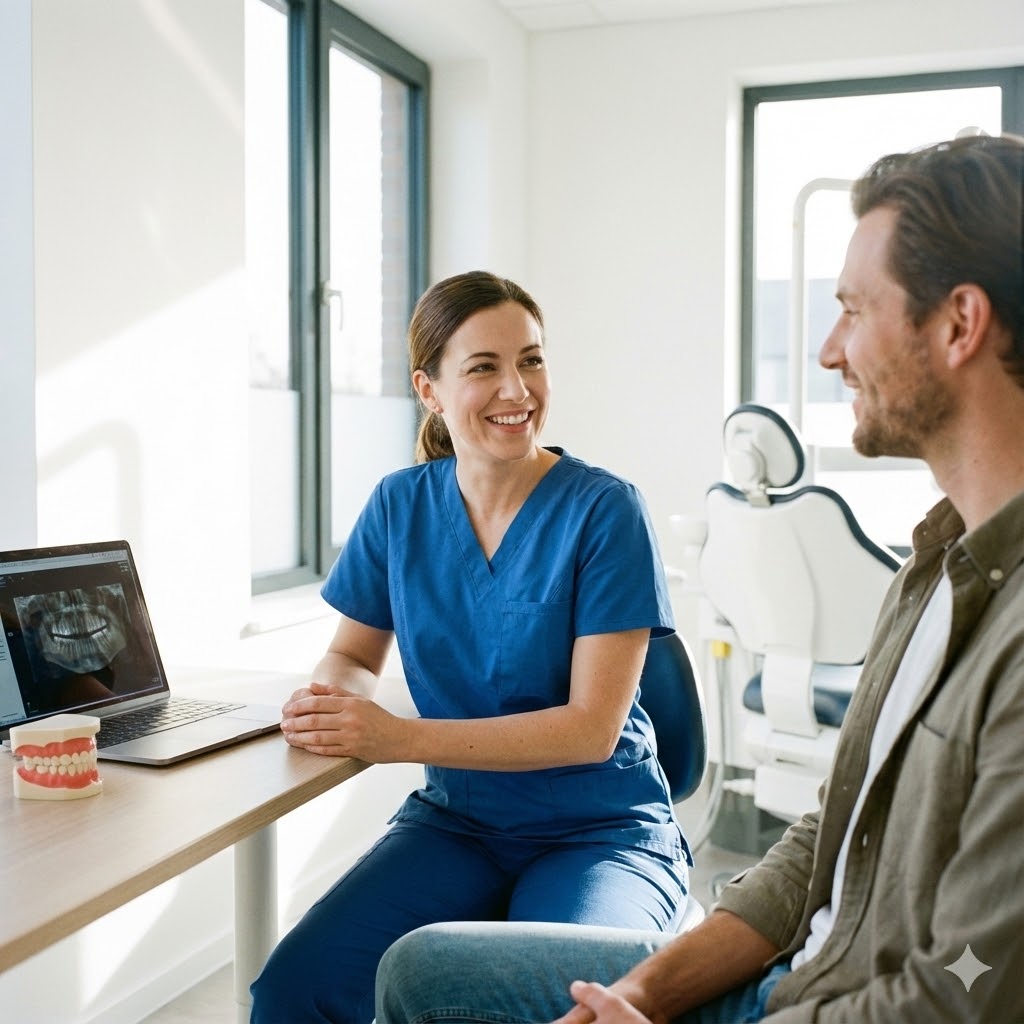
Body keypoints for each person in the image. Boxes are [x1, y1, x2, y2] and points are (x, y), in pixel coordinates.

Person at [374, 132, 1024, 1024]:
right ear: (432, 390)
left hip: (849, 1001)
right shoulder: (931, 570)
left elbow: (956, 999)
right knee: (417, 973)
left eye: (852, 310)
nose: (829, 351)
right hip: (802, 965)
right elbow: (825, 839)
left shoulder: (1014, 638)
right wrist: (640, 995)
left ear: (959, 324)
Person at [248, 271, 692, 1023]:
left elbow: (592, 729)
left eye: (532, 359)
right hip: (461, 824)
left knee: (557, 1002)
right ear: (430, 389)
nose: (517, 389)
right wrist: (333, 698)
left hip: (601, 830)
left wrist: (393, 738)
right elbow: (353, 655)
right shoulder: (400, 505)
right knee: (297, 991)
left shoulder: (604, 510)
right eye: (484, 367)